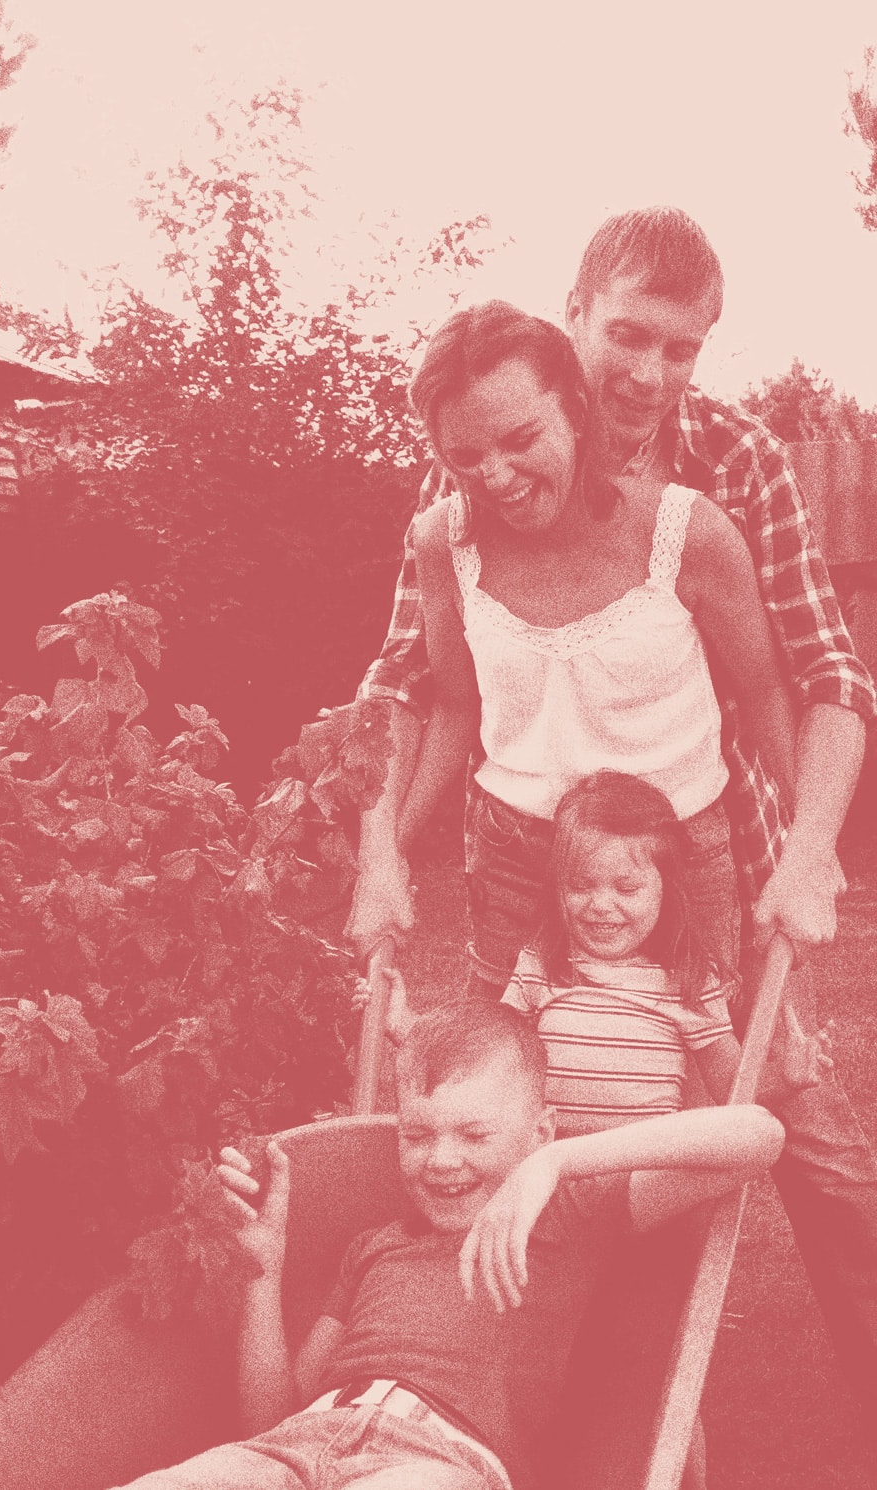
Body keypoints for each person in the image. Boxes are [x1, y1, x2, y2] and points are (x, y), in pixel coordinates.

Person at [345, 206, 877, 1417]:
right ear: (572, 314)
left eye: (681, 348)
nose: (648, 373)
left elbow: (816, 674)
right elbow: (423, 689)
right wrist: (384, 849)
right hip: (520, 861)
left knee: (802, 1122)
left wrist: (806, 852)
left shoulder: (727, 470)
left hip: (694, 851)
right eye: (628, 335)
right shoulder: (478, 457)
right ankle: (497, 1399)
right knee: (513, 1114)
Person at [110, 1002, 785, 1490]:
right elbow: (272, 1414)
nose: (440, 1160)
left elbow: (756, 1135)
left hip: (440, 1460)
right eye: (417, 1133)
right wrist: (264, 1261)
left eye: (475, 1135)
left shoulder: (567, 1213)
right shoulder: (372, 1249)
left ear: (539, 1132)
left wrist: (555, 1168)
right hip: (298, 1444)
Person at [370, 771, 832, 1132]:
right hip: (547, 1172)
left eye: (627, 887)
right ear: (557, 889)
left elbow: (732, 1085)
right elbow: (482, 1053)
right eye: (580, 885)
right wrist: (407, 1028)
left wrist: (784, 1079)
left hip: (641, 1170)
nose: (601, 905)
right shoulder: (541, 968)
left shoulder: (687, 980)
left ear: (666, 892)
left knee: (747, 1136)